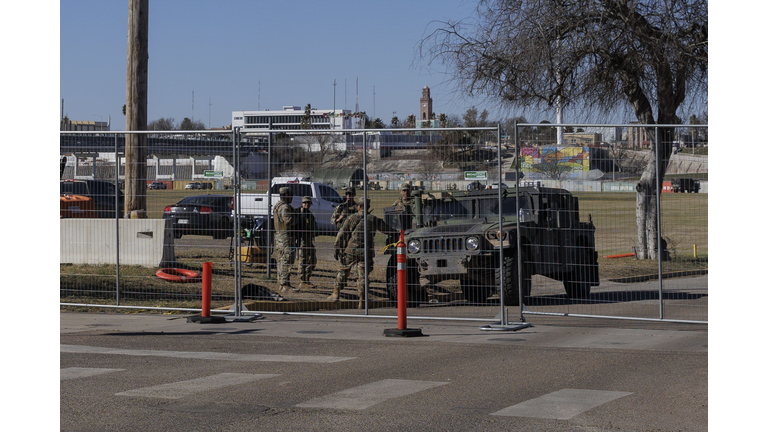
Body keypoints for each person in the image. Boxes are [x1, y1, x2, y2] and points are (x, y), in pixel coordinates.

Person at [330, 199, 391, 308]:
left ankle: (336, 293)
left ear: (358, 206)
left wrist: (337, 248)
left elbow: (341, 234)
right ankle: (362, 299)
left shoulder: (352, 218)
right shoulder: (373, 219)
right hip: (366, 251)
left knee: (343, 270)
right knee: (362, 275)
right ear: (368, 206)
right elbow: (387, 229)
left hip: (351, 250)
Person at [273, 187, 297, 291]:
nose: (292, 197)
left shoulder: (277, 206)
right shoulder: (285, 208)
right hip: (285, 238)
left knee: (281, 259)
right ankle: (284, 284)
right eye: (290, 195)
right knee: (286, 260)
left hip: (280, 237)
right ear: (287, 195)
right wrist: (296, 218)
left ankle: (282, 282)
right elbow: (287, 221)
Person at [296, 196, 318, 290]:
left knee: (313, 260)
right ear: (302, 203)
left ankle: (307, 278)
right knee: (302, 260)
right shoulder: (298, 213)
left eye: (308, 203)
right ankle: (302, 281)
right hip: (302, 241)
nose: (307, 205)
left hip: (309, 240)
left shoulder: (310, 215)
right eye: (305, 203)